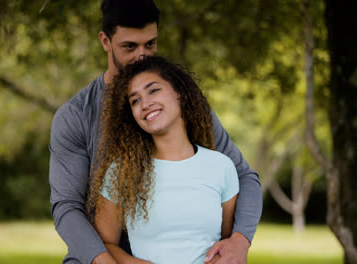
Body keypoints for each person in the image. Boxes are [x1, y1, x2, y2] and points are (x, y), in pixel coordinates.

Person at [48, 0, 262, 263]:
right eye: (129, 46)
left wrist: (240, 240)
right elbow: (67, 207)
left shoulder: (182, 108)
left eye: (150, 44)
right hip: (99, 254)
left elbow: (244, 177)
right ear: (106, 41)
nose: (142, 55)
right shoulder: (75, 116)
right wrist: (107, 261)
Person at [87, 55, 239, 264]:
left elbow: (228, 244)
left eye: (153, 90)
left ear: (179, 93)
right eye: (135, 100)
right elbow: (104, 243)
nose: (145, 104)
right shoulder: (121, 170)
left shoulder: (221, 167)